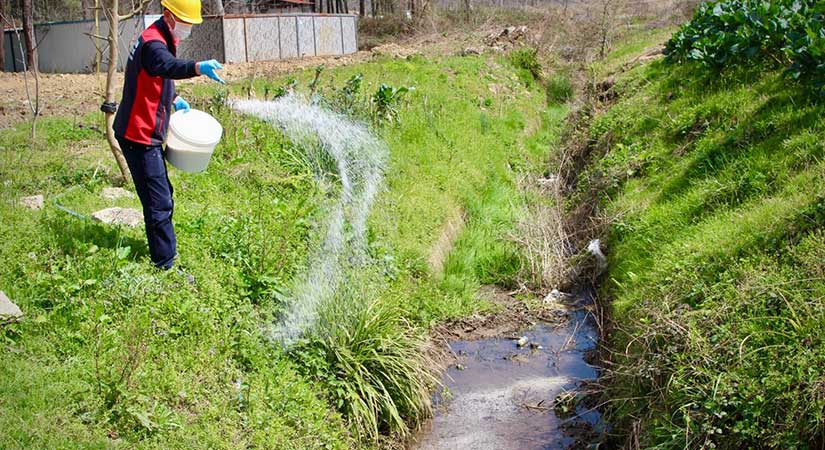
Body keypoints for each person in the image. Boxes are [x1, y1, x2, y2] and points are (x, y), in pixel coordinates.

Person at [113, 0, 224, 270]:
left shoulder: (159, 35)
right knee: (159, 202)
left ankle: (164, 255)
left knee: (161, 195)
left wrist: (173, 97)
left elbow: (155, 75)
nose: (188, 28)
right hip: (138, 135)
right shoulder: (154, 43)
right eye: (185, 22)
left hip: (142, 131)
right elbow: (167, 66)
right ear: (168, 15)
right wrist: (197, 67)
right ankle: (165, 265)